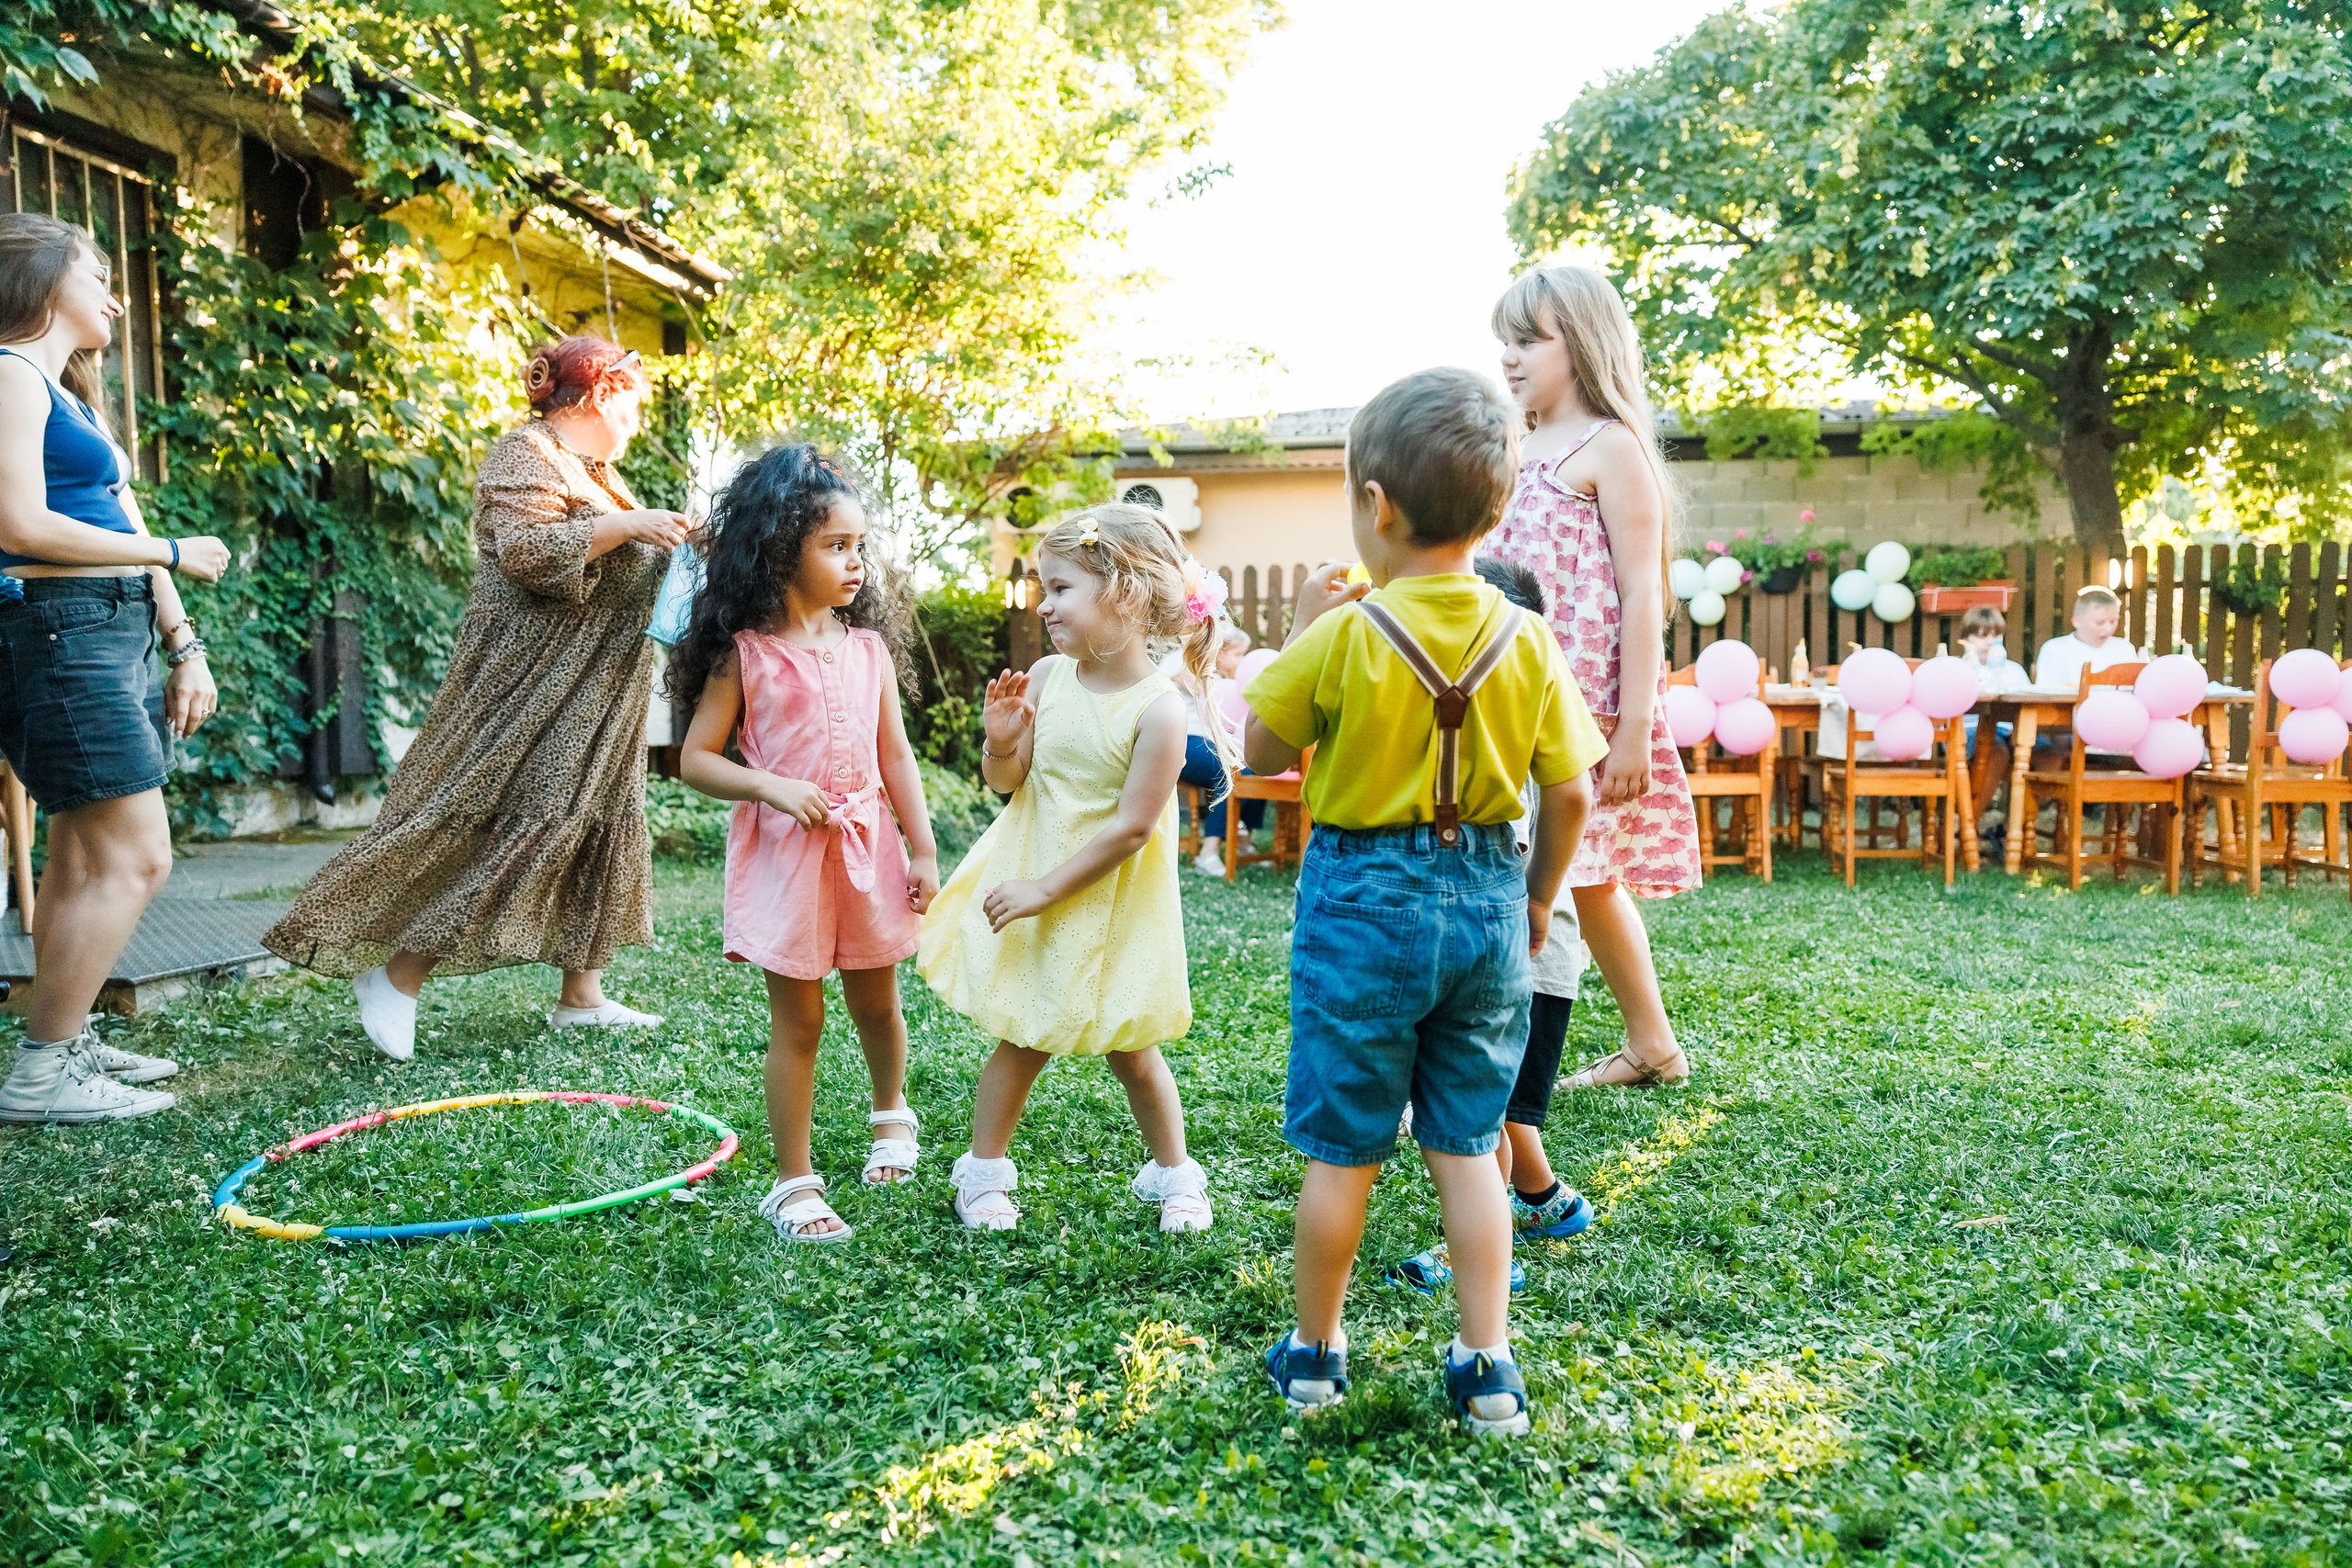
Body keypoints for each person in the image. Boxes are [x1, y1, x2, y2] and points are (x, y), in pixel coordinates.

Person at [1243, 368, 1603, 1438]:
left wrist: (1299, 629)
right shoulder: (1529, 639)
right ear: (1496, 514)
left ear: (1374, 506)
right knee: (1467, 1140)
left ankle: (1313, 1353)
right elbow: (1571, 792)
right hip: (1492, 898)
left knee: (1343, 1146)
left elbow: (1262, 754)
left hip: (1362, 900)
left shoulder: (1345, 633)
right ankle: (1486, 1365)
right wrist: (1536, 902)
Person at [264, 336, 694, 1057]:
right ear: (601, 394)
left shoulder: (597, 473)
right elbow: (527, 552)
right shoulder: (524, 453)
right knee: (518, 819)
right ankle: (397, 975)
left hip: (602, 687)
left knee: (596, 818)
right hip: (535, 684)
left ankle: (581, 995)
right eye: (636, 404)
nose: (640, 420)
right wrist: (626, 525)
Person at [918, 504, 1222, 1235]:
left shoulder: (1160, 710)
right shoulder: (1050, 677)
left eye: (1060, 590)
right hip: (1037, 881)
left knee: (1132, 1048)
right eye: (1043, 589)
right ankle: (982, 1173)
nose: (1044, 606)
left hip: (1108, 900)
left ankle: (1174, 1172)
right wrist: (1000, 744)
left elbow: (1133, 828)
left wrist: (1043, 891)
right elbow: (1010, 783)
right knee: (1023, 1036)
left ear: (1121, 591)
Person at [667, 446, 938, 1243]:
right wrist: (771, 786)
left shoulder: (868, 650)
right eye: (835, 546)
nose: (856, 563)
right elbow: (695, 760)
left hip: (867, 850)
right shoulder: (744, 654)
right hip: (788, 859)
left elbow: (896, 757)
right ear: (781, 549)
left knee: (877, 999)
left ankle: (892, 1113)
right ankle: (793, 1180)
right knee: (801, 1023)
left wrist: (921, 850)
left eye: (860, 547)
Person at [0, 212, 230, 1123]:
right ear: (48, 283)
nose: (113, 296)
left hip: (103, 627)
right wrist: (175, 554)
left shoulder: (70, 396)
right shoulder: (12, 376)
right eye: (96, 275)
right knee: (137, 857)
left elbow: (123, 533)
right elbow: (17, 529)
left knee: (80, 858)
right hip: (53, 630)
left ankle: (65, 1032)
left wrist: (184, 643)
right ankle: (42, 1073)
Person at [1484, 265, 1696, 1092]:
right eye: (1503, 340)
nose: (1509, 356)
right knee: (1585, 874)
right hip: (1509, 694)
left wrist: (1633, 724)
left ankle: (1501, 1075)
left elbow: (1644, 589)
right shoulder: (1511, 448)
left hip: (1585, 705)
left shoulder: (1610, 446)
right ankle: (1653, 1045)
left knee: (1569, 877)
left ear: (1582, 342)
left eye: (1528, 339)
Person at [1389, 556, 1596, 1294]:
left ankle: (1467, 1246)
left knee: (1476, 1117)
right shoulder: (1503, 715)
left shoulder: (1498, 733)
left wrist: (1536, 904)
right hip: (1516, 948)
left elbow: (1565, 804)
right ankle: (1545, 1202)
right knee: (1496, 1106)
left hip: (1523, 954)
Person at [1169, 620, 1263, 874]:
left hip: (1208, 744)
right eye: (1238, 654)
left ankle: (1242, 835)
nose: (1241, 661)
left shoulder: (1219, 675)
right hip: (1180, 743)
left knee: (1254, 764)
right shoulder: (1185, 661)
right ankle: (1208, 852)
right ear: (1219, 650)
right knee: (1230, 770)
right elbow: (1189, 681)